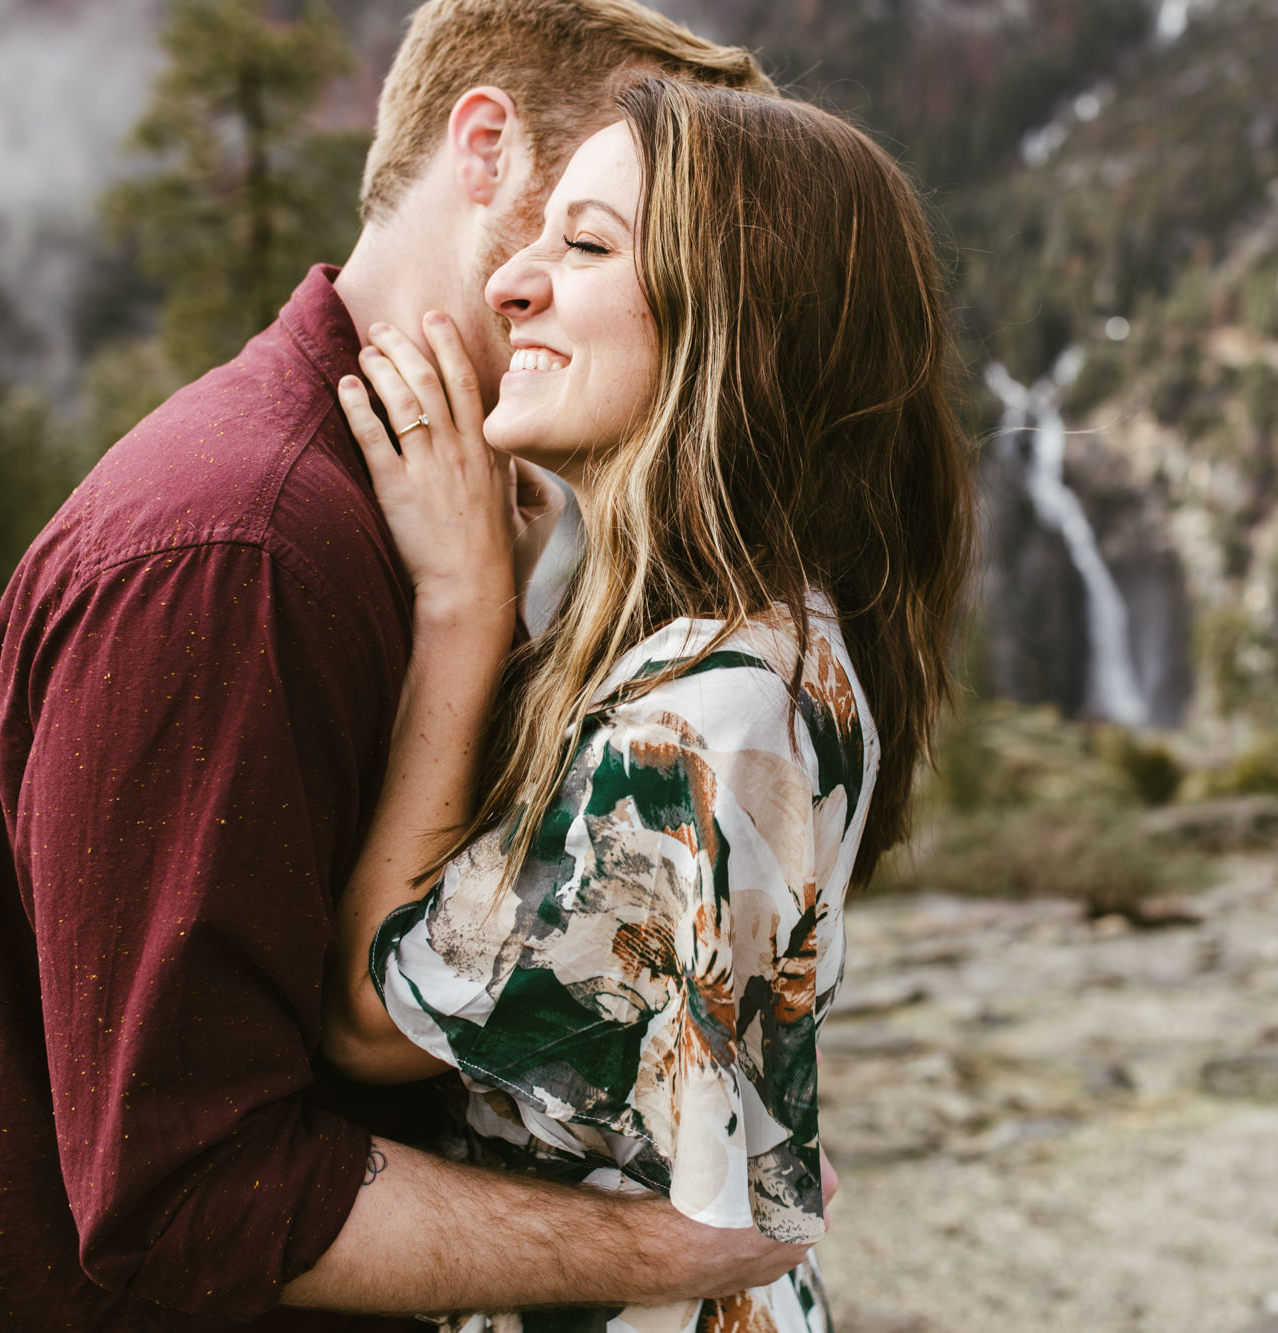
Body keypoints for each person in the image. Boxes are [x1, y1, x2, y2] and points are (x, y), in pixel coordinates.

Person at [0, 4, 822, 1329]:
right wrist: (668, 1248)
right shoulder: (237, 555)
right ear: (486, 150)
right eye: (636, 226)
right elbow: (191, 1196)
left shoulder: (449, 522)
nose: (677, 289)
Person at [318, 77, 975, 1332]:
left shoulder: (715, 708)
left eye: (586, 244)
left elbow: (367, 1019)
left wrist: (458, 607)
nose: (513, 283)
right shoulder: (761, 642)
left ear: (737, 317)